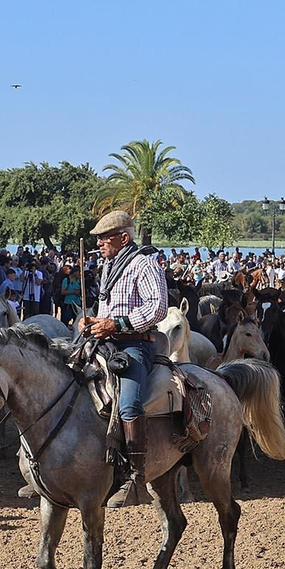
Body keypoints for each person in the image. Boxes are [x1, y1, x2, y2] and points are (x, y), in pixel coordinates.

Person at [80, 210, 167, 508]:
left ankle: (135, 477)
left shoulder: (144, 264)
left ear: (123, 237)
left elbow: (157, 309)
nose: (100, 243)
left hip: (134, 345)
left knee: (129, 402)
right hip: (103, 341)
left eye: (104, 237)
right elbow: (107, 309)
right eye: (99, 238)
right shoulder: (109, 265)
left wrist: (116, 324)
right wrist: (92, 321)